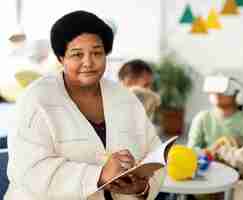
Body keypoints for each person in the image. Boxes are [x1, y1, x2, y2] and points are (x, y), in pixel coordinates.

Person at [5, 10, 164, 200]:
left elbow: (153, 154)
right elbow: (30, 170)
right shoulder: (35, 99)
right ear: (61, 58)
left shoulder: (125, 98)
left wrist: (141, 188)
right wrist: (100, 175)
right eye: (77, 54)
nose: (88, 62)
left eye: (97, 52)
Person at [187, 74, 243, 149]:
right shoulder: (202, 118)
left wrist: (241, 143)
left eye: (224, 91)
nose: (217, 94)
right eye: (215, 90)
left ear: (237, 95)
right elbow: (192, 149)